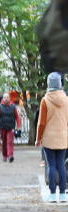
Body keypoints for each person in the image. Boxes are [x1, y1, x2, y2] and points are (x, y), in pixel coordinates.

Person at [35, 72, 68, 202]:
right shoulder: (66, 100)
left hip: (49, 138)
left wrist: (38, 138)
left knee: (51, 165)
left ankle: (53, 194)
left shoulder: (45, 100)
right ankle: (63, 194)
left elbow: (41, 123)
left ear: (49, 84)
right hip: (63, 137)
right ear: (60, 84)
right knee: (61, 165)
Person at [0, 92, 21, 163]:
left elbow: (17, 116)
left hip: (11, 127)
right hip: (2, 127)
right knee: (4, 142)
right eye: (5, 97)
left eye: (7, 97)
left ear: (9, 98)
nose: (6, 99)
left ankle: (10, 156)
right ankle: (4, 156)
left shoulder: (13, 106)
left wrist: (18, 126)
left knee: (10, 142)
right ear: (3, 99)